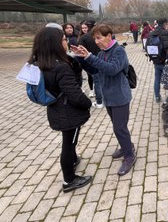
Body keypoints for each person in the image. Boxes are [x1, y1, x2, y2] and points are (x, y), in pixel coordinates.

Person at [29, 27, 92, 192]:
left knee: (69, 142)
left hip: (56, 108)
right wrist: (88, 103)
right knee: (68, 144)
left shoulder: (40, 63)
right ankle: (69, 180)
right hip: (68, 112)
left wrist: (75, 60)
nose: (67, 41)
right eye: (64, 39)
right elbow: (75, 94)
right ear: (55, 43)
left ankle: (73, 159)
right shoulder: (60, 67)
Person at [72, 24, 137, 176]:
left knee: (119, 128)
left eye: (99, 38)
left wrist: (90, 56)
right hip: (108, 97)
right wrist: (81, 59)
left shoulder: (119, 51)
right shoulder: (102, 53)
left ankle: (129, 155)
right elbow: (95, 70)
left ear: (109, 36)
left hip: (120, 96)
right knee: (118, 126)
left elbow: (112, 69)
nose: (96, 41)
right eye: (95, 39)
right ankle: (126, 145)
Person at [78, 20, 103, 108]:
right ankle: (104, 100)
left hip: (91, 62)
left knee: (97, 82)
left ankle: (99, 102)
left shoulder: (84, 37)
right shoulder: (100, 36)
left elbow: (80, 52)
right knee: (102, 81)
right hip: (102, 61)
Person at [147, 18, 168, 103]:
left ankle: (157, 96)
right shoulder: (165, 33)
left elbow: (147, 47)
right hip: (165, 60)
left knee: (157, 79)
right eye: (167, 24)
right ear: (164, 24)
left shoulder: (151, 33)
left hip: (155, 60)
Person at [78, 22, 94, 97]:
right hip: (84, 59)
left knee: (94, 75)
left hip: (92, 57)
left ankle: (96, 91)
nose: (84, 29)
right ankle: (91, 90)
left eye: (85, 28)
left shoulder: (93, 36)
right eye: (82, 28)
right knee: (89, 75)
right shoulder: (80, 37)